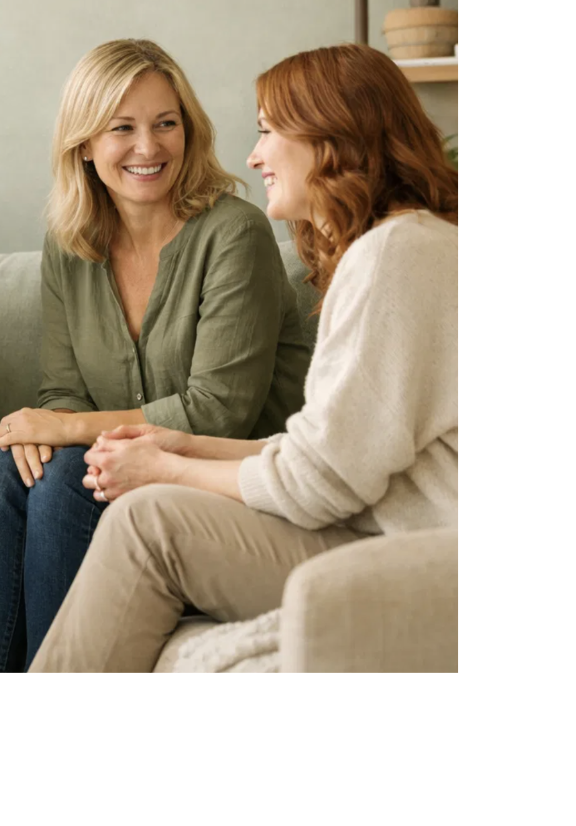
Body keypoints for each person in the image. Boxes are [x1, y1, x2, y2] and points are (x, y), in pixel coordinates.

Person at [28, 42, 457, 672]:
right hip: (390, 536)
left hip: (420, 559)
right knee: (24, 475)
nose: (254, 156)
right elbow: (329, 455)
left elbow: (319, 482)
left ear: (331, 138)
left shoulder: (394, 256)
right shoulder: (399, 248)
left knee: (146, 522)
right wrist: (180, 446)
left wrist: (167, 469)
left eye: (268, 132)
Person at [0, 38, 312, 672]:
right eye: (123, 128)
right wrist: (46, 429)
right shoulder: (69, 242)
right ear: (85, 145)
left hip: (221, 473)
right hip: (121, 466)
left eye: (166, 123)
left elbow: (218, 410)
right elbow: (63, 390)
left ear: (188, 131)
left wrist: (63, 429)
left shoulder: (235, 232)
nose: (149, 147)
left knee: (67, 475)